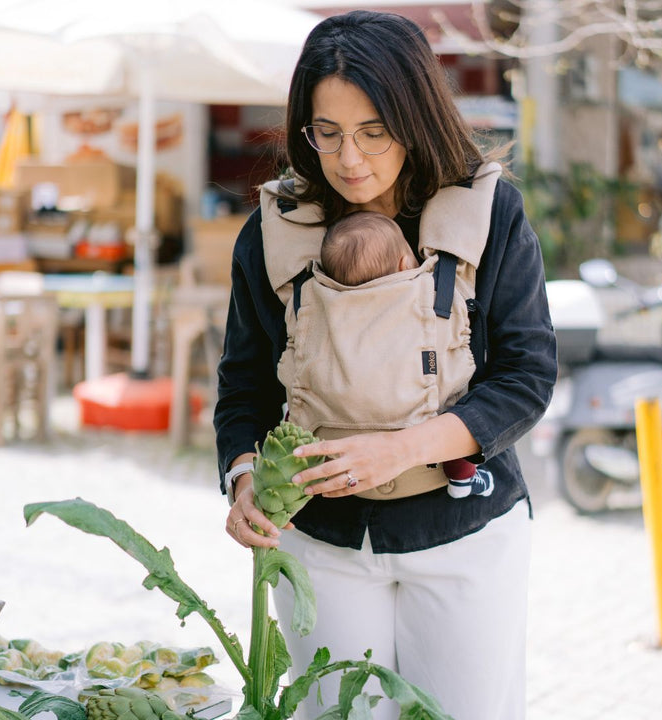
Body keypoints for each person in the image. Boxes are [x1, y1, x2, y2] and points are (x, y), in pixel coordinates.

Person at [214, 10, 557, 720]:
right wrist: (244, 478)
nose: (350, 160)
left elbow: (526, 376)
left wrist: (401, 450)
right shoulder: (273, 231)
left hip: (466, 537)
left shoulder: (490, 213)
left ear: (417, 116)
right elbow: (242, 385)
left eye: (375, 131)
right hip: (322, 543)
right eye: (328, 133)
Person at [320, 209, 494, 499]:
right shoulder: (424, 299)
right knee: (455, 405)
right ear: (405, 263)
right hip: (420, 418)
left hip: (347, 417)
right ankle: (462, 478)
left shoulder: (331, 310)